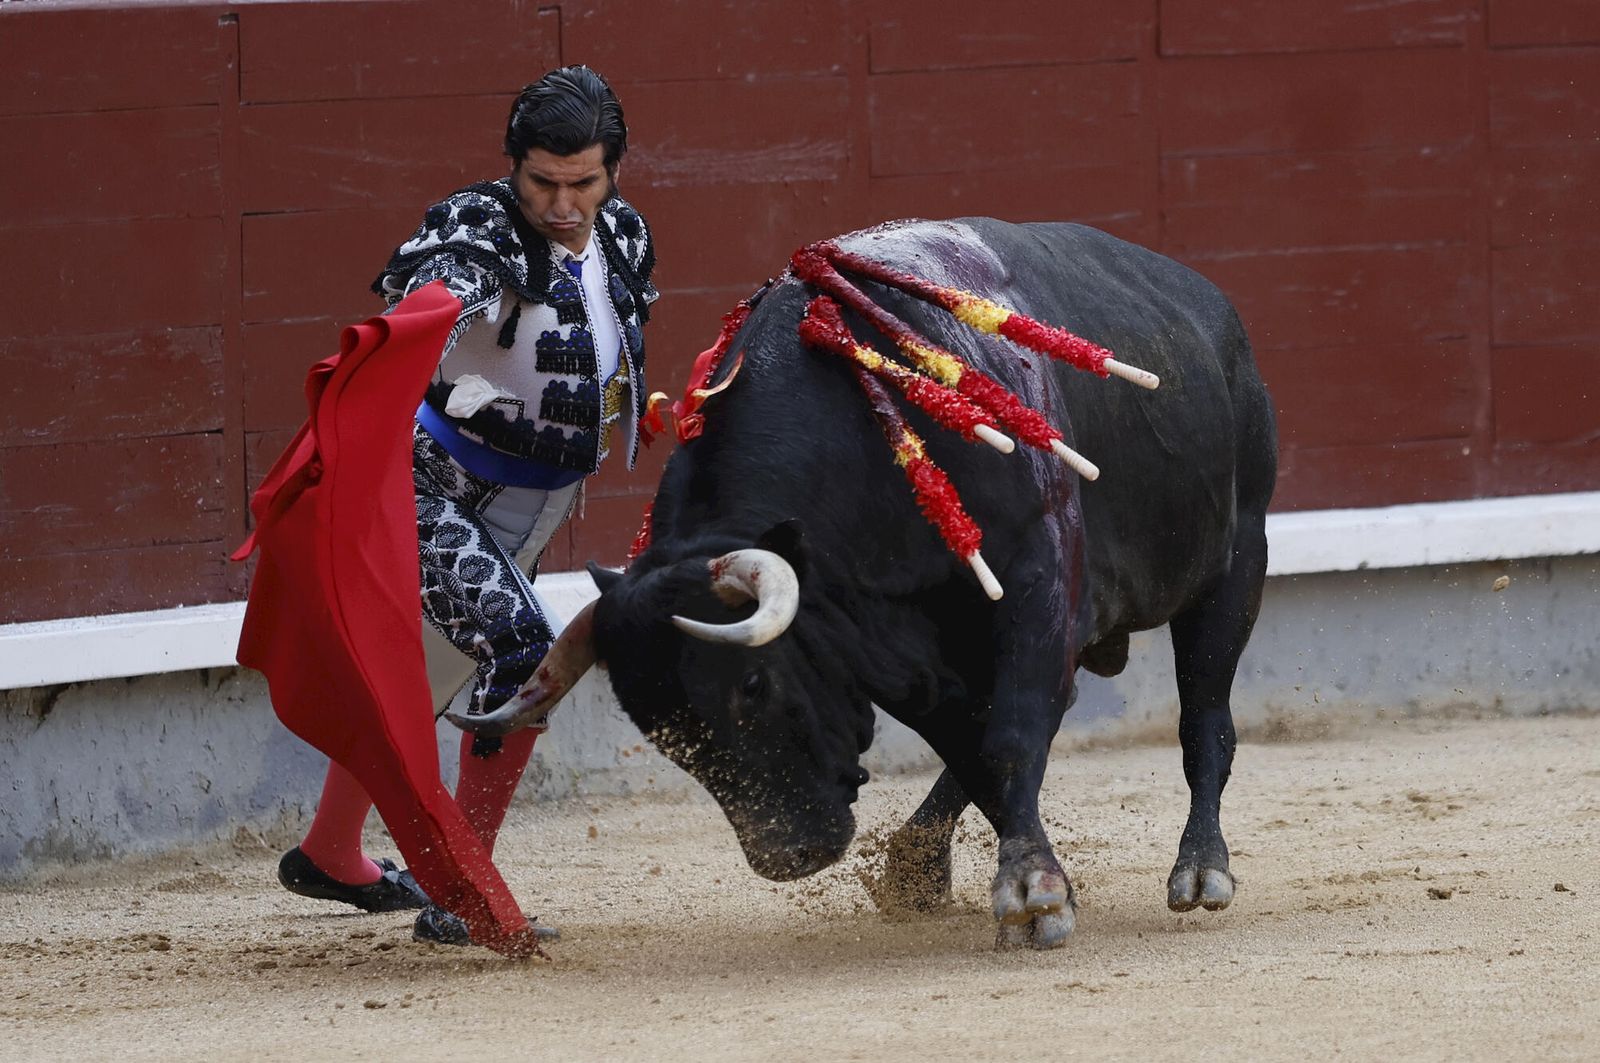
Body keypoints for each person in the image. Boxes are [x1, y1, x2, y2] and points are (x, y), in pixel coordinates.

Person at [273, 65, 658, 946]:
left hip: (538, 498)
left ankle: (331, 851)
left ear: (614, 171)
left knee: (424, 664)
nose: (563, 203)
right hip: (432, 487)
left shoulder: (625, 235)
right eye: (542, 182)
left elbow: (603, 348)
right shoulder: (475, 229)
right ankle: (461, 888)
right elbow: (437, 299)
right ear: (511, 166)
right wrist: (434, 311)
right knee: (523, 650)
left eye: (584, 183)